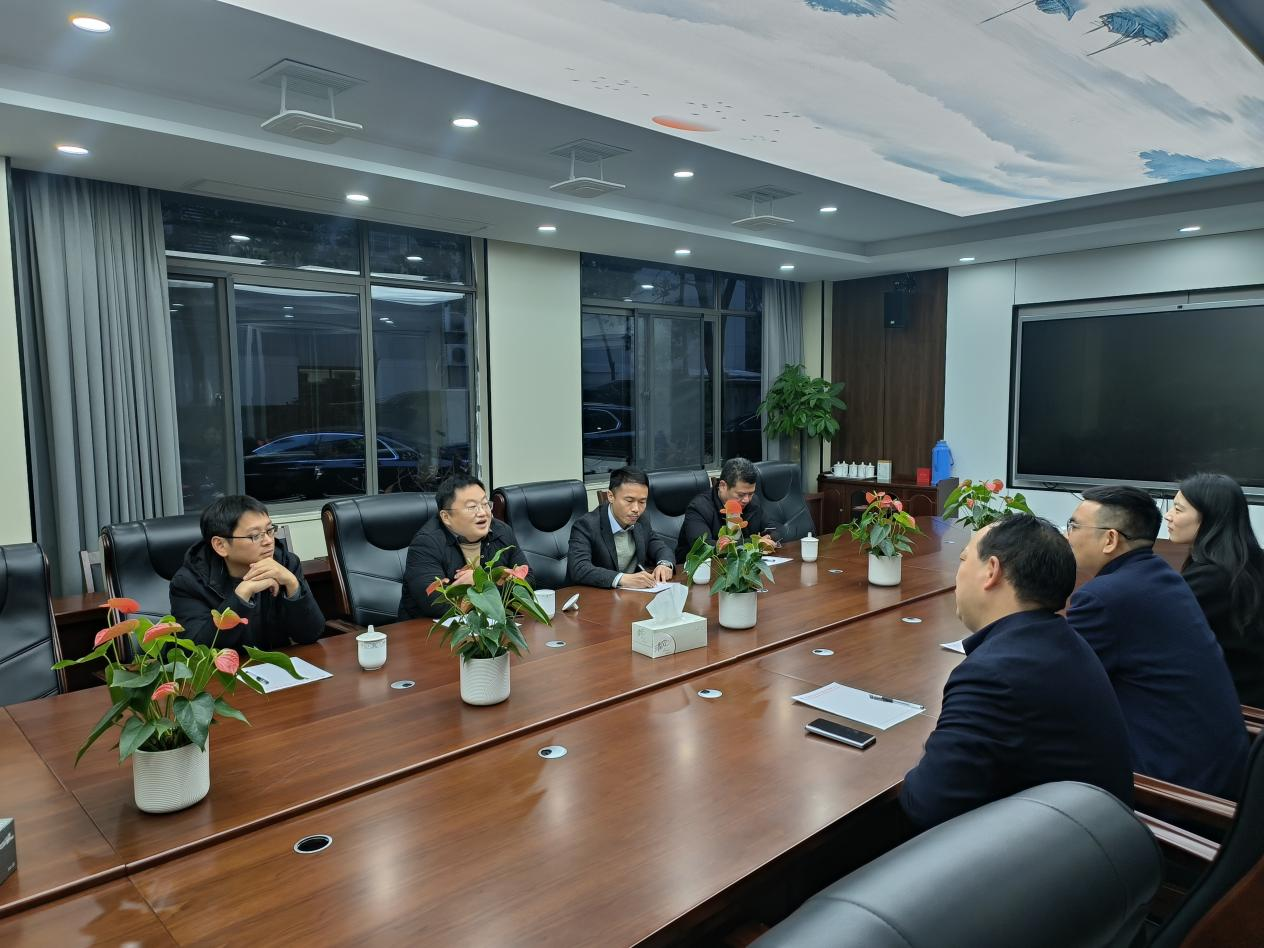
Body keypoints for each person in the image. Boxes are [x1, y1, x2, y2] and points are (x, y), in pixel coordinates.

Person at [899, 515, 1133, 830]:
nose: (958, 573)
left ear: (991, 571)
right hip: (1096, 837)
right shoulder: (1064, 641)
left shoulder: (994, 674)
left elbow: (926, 804)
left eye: (964, 559)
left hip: (1048, 853)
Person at [1065, 485, 1248, 799]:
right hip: (1222, 775)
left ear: (1110, 539)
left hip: (1172, 790)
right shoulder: (1162, 575)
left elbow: (1062, 688)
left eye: (1074, 526)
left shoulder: (1102, 598)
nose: (1067, 536)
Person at [169, 494, 324, 653]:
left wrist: (293, 585)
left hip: (276, 665)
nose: (268, 541)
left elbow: (311, 634)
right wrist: (241, 596)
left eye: (269, 530)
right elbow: (195, 651)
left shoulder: (285, 564)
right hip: (231, 669)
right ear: (220, 545)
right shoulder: (189, 583)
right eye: (255, 536)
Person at [1166, 473, 1264, 708]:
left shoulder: (1211, 578)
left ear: (1210, 517)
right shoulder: (1246, 561)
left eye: (1178, 510)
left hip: (1234, 706)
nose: (1168, 515)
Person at [398, 474, 531, 620]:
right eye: (472, 507)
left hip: (491, 624)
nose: (483, 513)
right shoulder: (426, 544)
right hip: (427, 629)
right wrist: (497, 586)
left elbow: (528, 582)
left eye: (485, 504)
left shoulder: (502, 531)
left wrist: (480, 581)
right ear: (446, 517)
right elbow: (436, 604)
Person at [569, 467, 675, 589]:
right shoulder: (586, 525)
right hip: (598, 595)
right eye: (629, 501)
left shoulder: (642, 519)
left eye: (642, 502)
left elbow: (660, 547)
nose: (636, 509)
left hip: (634, 594)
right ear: (611, 496)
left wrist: (664, 564)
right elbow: (579, 568)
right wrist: (622, 578)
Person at [677, 457, 780, 562]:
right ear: (723, 486)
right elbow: (704, 548)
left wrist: (769, 538)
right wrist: (755, 543)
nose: (746, 500)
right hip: (703, 568)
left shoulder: (753, 502)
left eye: (751, 494)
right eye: (741, 494)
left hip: (742, 565)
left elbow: (774, 529)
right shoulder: (699, 507)